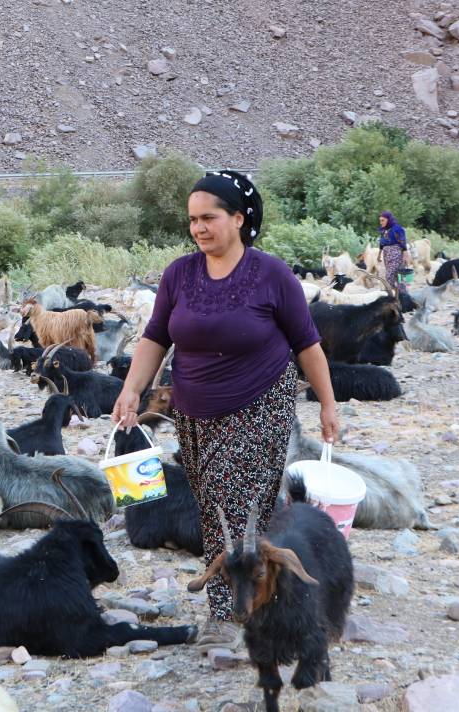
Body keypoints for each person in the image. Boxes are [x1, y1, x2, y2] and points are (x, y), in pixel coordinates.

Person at [111, 170, 338, 650]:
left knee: (235, 499)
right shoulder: (179, 274)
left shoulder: (272, 275)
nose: (199, 228)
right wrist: (133, 389)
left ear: (239, 218)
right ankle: (236, 599)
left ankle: (245, 609)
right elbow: (156, 337)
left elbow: (308, 345)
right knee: (215, 510)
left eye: (209, 217)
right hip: (194, 413)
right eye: (193, 220)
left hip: (261, 404)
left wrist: (328, 404)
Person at [379, 211, 410, 292]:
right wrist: (379, 254)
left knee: (390, 275)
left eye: (383, 220)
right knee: (394, 275)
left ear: (388, 220)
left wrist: (406, 255)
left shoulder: (397, 229)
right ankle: (398, 294)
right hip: (386, 254)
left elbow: (403, 242)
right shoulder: (383, 230)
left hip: (396, 253)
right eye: (380, 220)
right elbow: (381, 243)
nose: (381, 222)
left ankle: (394, 293)